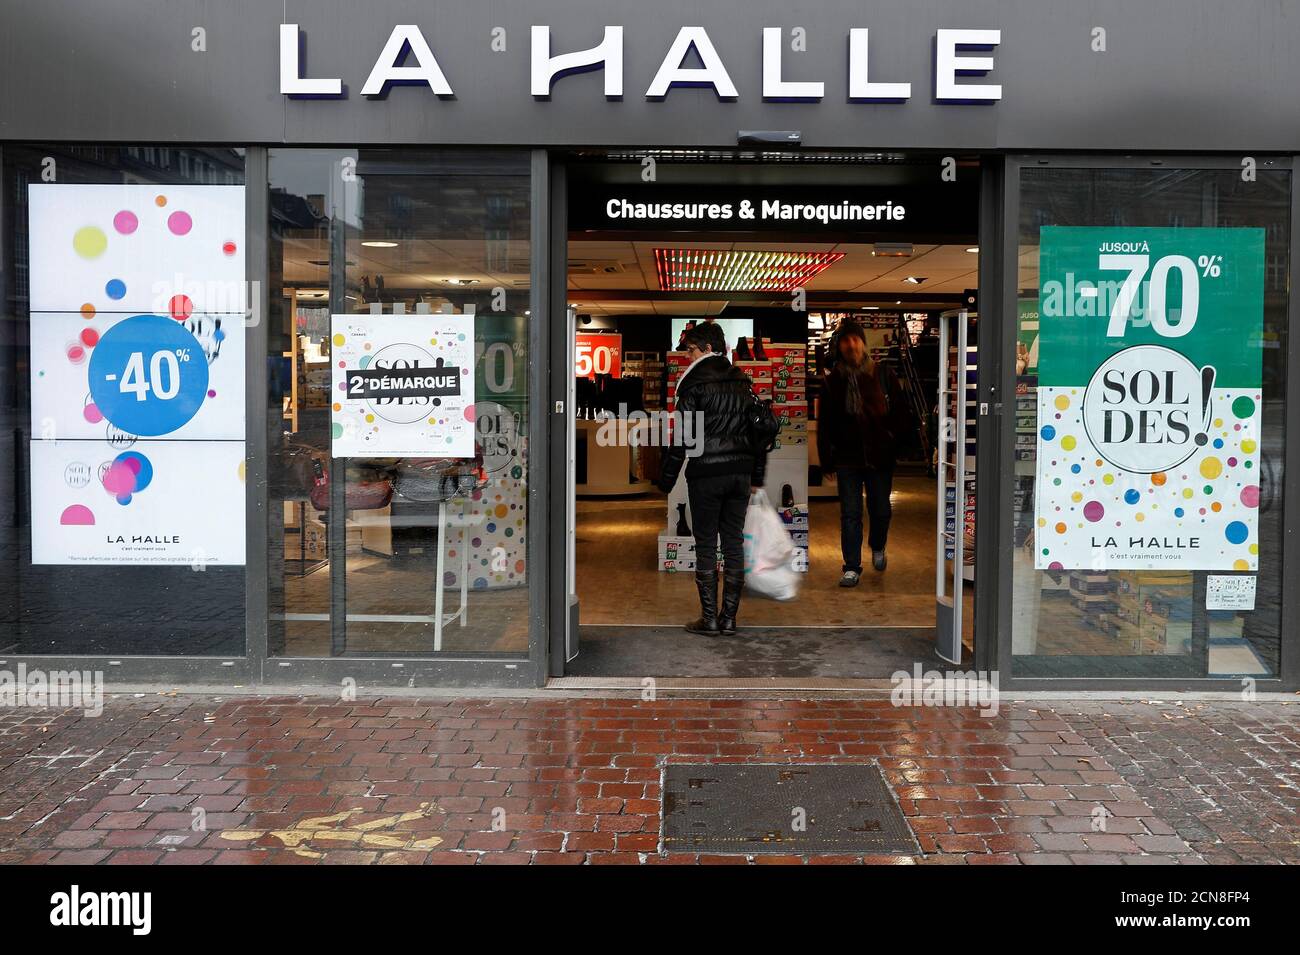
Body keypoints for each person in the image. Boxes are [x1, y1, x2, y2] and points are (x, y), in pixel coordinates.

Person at [658, 322, 767, 636]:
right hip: (739, 475)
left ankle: (709, 620)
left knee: (705, 544)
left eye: (691, 350)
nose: (687, 356)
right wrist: (756, 474)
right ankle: (729, 619)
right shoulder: (743, 383)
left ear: (707, 349)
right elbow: (760, 433)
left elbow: (682, 437)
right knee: (734, 542)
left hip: (705, 475)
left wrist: (666, 480)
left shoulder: (693, 385)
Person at [817, 320, 909, 586]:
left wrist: (894, 441)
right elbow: (825, 424)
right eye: (846, 341)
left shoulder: (883, 375)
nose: (851, 345)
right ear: (841, 346)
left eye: (855, 340)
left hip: (880, 457)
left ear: (863, 343)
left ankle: (878, 545)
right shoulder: (833, 381)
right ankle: (852, 566)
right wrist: (827, 459)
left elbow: (901, 413)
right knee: (850, 513)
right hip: (848, 458)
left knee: (881, 510)